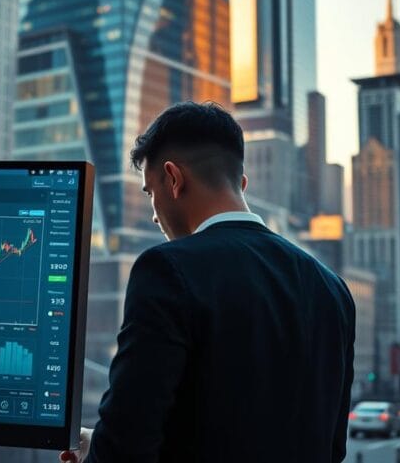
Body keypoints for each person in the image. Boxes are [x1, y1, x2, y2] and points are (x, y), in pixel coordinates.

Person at [59, 102, 357, 463]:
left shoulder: (167, 270)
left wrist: (99, 452)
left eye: (150, 193)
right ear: (240, 184)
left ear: (173, 178)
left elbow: (126, 446)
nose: (154, 215)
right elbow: (333, 448)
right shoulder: (332, 289)